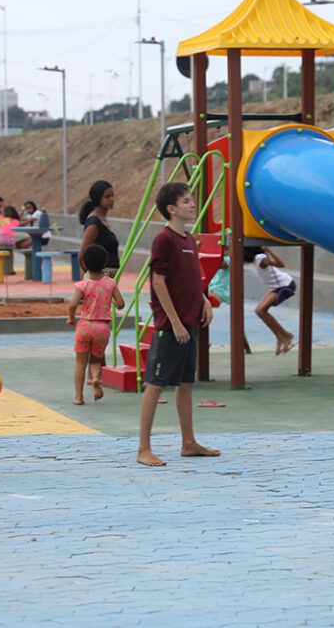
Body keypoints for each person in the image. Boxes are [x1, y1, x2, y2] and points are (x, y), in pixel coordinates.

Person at [137, 182, 218, 467]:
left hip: (190, 323)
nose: (192, 205)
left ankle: (189, 443)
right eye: (186, 201)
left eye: (192, 200)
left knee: (186, 383)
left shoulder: (188, 239)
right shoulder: (165, 239)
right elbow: (158, 282)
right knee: (156, 384)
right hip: (172, 327)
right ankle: (143, 448)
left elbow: (192, 279)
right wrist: (174, 322)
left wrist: (204, 301)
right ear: (171, 209)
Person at [67, 244, 125, 405]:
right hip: (102, 328)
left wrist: (71, 318)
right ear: (105, 264)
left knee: (80, 362)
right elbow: (121, 304)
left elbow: (72, 305)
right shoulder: (110, 283)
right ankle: (95, 379)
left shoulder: (83, 285)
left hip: (85, 326)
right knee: (96, 359)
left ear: (85, 265)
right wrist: (111, 300)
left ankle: (78, 397)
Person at [243, 246, 296, 355]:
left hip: (285, 285)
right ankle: (282, 336)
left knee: (260, 310)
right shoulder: (255, 260)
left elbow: (281, 264)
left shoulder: (260, 258)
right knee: (259, 311)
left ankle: (285, 335)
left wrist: (269, 250)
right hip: (275, 288)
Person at [79, 181, 120, 275]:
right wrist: (92, 276)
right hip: (100, 278)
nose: (112, 199)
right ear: (98, 199)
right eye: (107, 197)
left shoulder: (102, 220)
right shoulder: (94, 223)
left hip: (108, 277)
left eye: (112, 195)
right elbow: (82, 255)